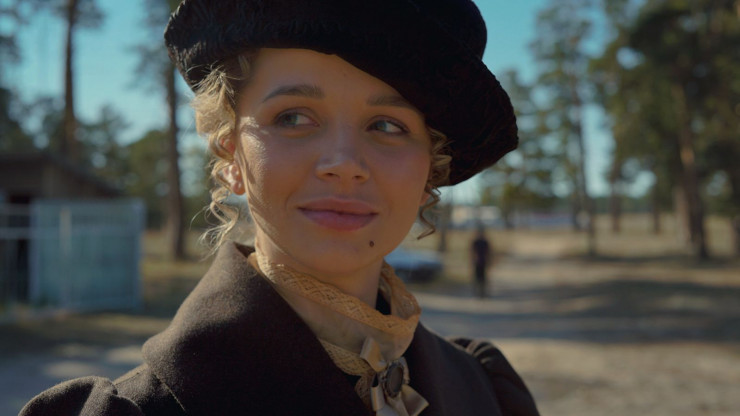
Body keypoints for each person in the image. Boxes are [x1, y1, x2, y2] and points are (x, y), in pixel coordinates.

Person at [20, 1, 540, 415]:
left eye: (387, 126)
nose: (344, 164)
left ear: (431, 172)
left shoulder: (482, 389)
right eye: (293, 117)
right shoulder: (139, 411)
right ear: (231, 154)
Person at [471, 227, 493, 298]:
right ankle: (478, 291)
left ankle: (482, 292)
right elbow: (472, 252)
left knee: (483, 278)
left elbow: (488, 252)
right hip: (477, 262)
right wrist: (472, 260)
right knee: (477, 277)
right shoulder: (475, 242)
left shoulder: (485, 242)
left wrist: (489, 261)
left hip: (483, 261)